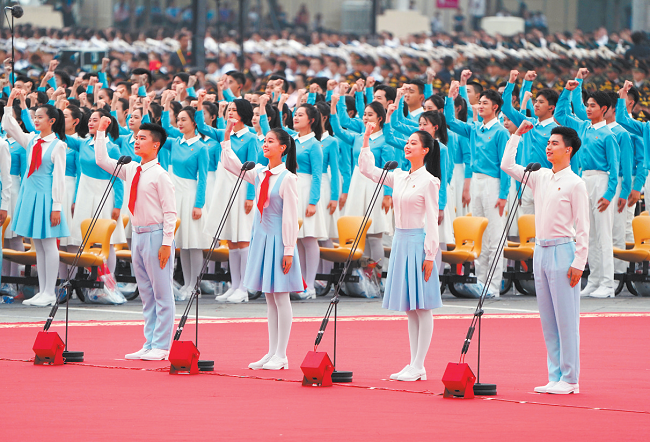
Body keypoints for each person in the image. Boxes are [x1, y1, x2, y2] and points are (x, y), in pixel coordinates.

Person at [501, 120, 589, 395]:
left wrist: (578, 262)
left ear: (569, 150)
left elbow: (584, 227)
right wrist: (516, 136)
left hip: (564, 250)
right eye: (548, 143)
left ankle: (571, 378)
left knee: (566, 319)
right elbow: (507, 165)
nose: (549, 148)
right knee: (548, 318)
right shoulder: (540, 176)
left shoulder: (575, 184)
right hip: (541, 250)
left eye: (555, 144)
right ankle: (555, 375)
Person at [359, 123, 441, 381]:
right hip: (401, 242)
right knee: (409, 306)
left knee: (422, 305)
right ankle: (413, 363)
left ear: (425, 150)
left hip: (419, 243)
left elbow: (432, 221)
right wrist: (366, 140)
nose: (408, 145)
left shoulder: (429, 181)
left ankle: (419, 364)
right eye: (407, 142)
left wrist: (430, 255)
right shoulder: (399, 177)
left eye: (414, 143)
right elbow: (367, 170)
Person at [221, 121, 303, 370]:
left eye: (270, 141)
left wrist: (289, 249)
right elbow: (232, 165)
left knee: (281, 296)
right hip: (261, 237)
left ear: (283, 147)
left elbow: (290, 217)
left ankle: (282, 354)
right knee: (269, 298)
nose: (265, 144)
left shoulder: (288, 179)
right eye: (264, 140)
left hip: (279, 240)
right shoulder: (259, 172)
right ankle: (271, 352)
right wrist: (226, 140)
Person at [95, 119, 176, 360]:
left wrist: (166, 243)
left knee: (162, 292)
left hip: (156, 234)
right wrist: (101, 132)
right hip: (138, 234)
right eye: (136, 138)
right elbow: (101, 161)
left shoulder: (161, 175)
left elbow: (171, 213)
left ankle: (162, 345)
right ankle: (149, 342)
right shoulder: (131, 168)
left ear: (156, 145)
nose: (136, 141)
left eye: (143, 138)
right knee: (146, 293)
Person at [2, 96, 70, 307]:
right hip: (30, 194)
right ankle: (43, 291)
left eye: (40, 117)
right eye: (35, 117)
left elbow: (58, 178)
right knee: (37, 245)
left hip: (46, 197)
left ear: (51, 121)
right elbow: (9, 126)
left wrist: (56, 206)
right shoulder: (32, 140)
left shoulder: (58, 145)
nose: (36, 120)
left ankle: (50, 290)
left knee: (49, 244)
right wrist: (10, 102)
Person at [445, 81, 511, 297]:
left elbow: (505, 166)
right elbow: (449, 122)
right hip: (476, 182)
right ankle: (481, 283)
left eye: (485, 103)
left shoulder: (501, 132)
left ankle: (494, 285)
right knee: (479, 237)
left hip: (493, 184)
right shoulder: (475, 128)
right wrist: (451, 98)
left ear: (496, 108)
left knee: (495, 236)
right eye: (479, 102)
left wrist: (503, 195)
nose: (480, 106)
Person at [555, 80, 619, 298]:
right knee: (587, 234)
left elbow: (614, 167)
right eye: (587, 105)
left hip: (601, 181)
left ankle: (608, 284)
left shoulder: (609, 135)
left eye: (593, 106)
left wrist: (610, 194)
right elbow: (561, 114)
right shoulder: (582, 127)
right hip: (584, 180)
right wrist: (567, 90)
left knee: (603, 235)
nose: (588, 109)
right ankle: (593, 281)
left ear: (604, 109)